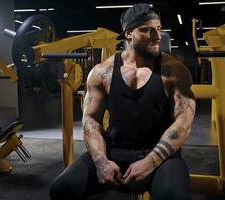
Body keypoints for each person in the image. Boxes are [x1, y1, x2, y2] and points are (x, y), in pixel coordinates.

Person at [49, 3, 196, 200]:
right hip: (114, 150)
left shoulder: (175, 72)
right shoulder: (102, 72)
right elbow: (91, 119)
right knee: (61, 188)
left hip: (160, 156)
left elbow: (184, 122)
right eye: (146, 29)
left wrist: (151, 161)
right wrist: (101, 161)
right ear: (128, 34)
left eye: (159, 29)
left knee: (174, 196)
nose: (157, 35)